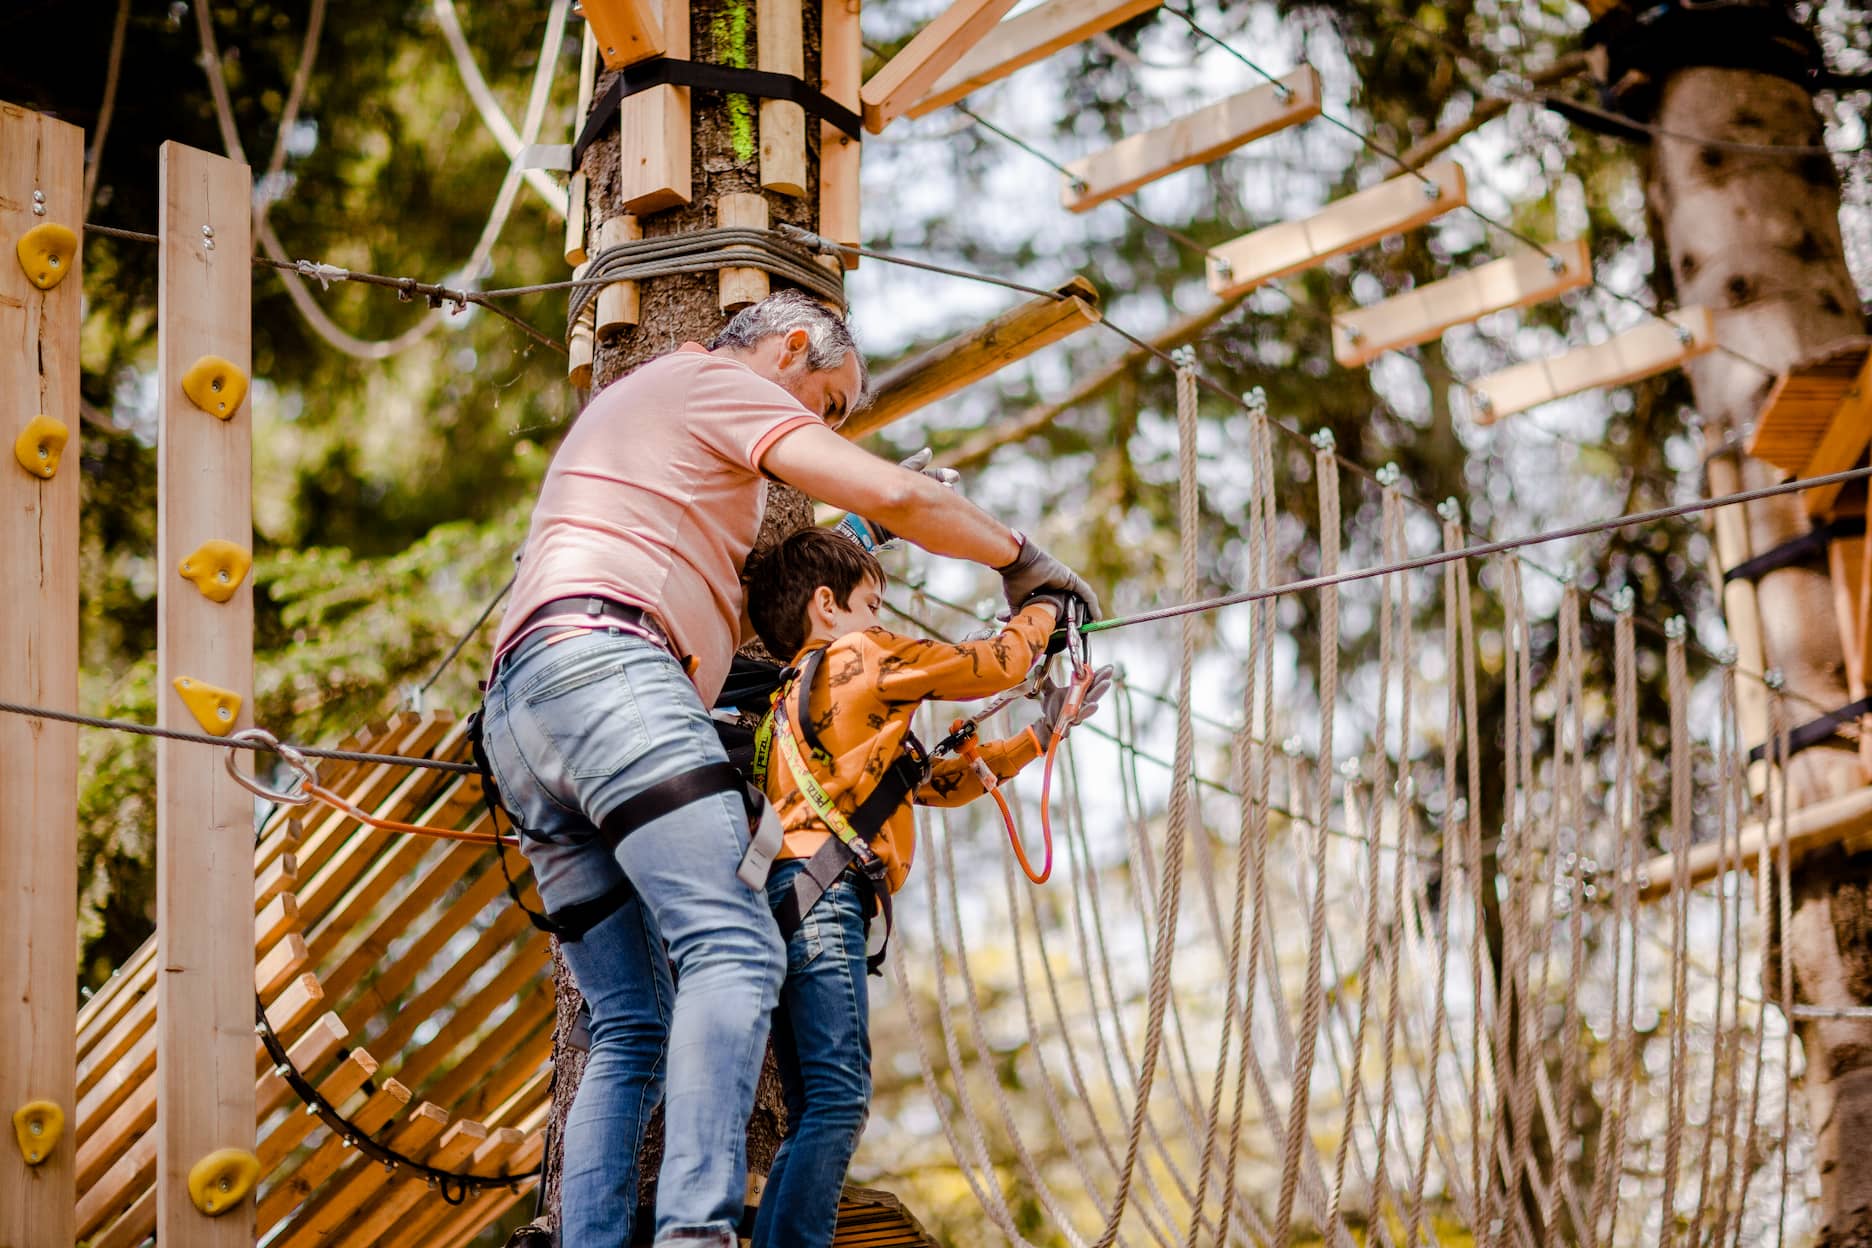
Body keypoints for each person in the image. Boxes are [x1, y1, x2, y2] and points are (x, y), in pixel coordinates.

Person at [475, 290, 1099, 1248]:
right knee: (732, 948)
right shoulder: (714, 380)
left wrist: (852, 554)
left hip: (523, 716)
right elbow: (898, 492)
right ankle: (696, 1236)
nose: (823, 427)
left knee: (631, 1022)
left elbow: (714, 590)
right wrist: (1025, 565)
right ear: (793, 348)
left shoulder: (651, 428)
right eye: (831, 404)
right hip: (609, 666)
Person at [740, 527, 1110, 1248]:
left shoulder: (802, 701)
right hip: (823, 897)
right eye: (872, 603)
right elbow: (993, 663)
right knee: (838, 1099)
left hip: (787, 898)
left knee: (817, 1105)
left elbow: (932, 782)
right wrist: (1044, 609)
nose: (881, 620)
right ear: (827, 605)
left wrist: (1039, 734)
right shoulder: (859, 653)